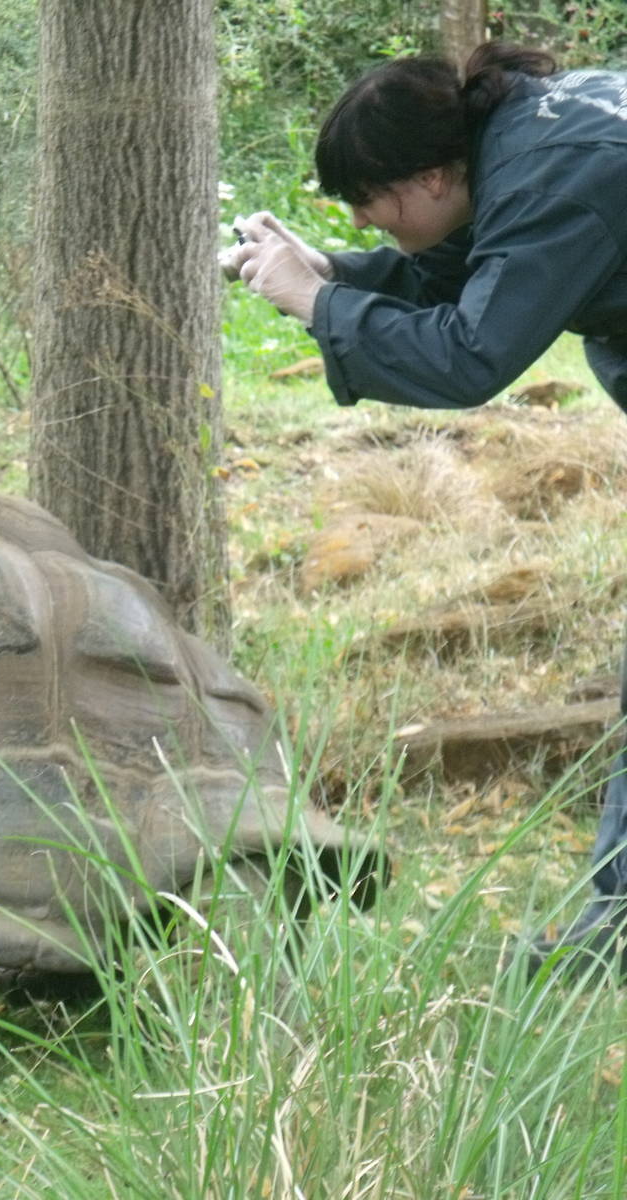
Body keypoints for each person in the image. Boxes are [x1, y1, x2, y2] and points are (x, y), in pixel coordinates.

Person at [223, 40, 627, 975]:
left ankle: (616, 937)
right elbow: (477, 272)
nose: (365, 216)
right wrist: (329, 270)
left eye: (368, 201)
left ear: (434, 174)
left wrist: (322, 310)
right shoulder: (527, 137)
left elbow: (468, 355)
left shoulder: (555, 179)